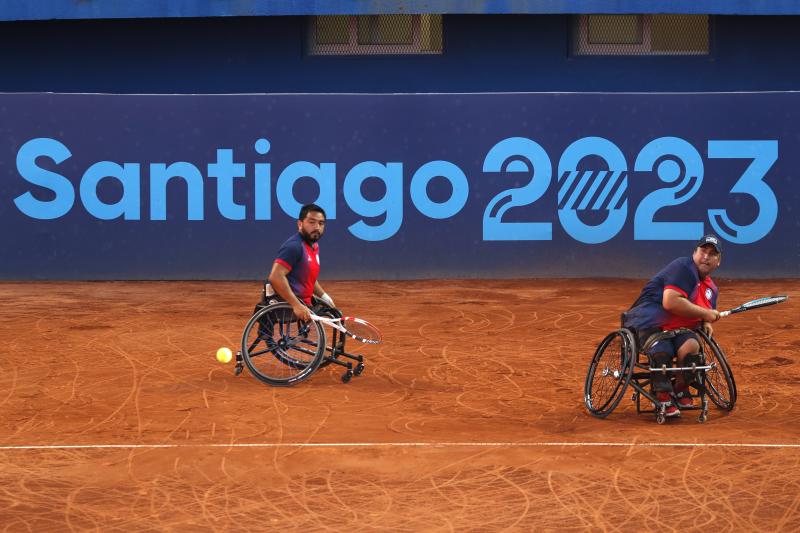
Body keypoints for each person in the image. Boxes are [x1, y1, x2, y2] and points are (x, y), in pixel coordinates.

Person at [623, 235, 723, 418]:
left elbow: (704, 309)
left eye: (712, 254)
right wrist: (705, 314)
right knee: (664, 352)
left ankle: (679, 388)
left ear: (718, 261)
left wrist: (707, 320)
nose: (706, 257)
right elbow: (670, 302)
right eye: (703, 251)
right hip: (650, 323)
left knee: (693, 348)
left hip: (680, 330)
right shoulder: (684, 267)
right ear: (694, 253)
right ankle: (662, 395)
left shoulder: (712, 289)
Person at [265, 203, 335, 322]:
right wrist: (296, 305)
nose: (317, 227)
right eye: (312, 222)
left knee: (335, 312)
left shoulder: (314, 246)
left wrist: (324, 296)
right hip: (287, 303)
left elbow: (307, 277)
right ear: (300, 224)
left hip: (305, 301)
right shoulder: (294, 247)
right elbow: (275, 277)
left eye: (321, 223)